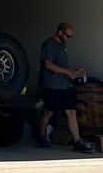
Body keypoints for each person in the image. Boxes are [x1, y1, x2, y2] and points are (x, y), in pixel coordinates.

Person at [36, 23, 95, 153]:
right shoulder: (49, 44)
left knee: (71, 112)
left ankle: (77, 142)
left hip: (66, 85)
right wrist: (68, 73)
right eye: (67, 35)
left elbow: (62, 65)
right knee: (48, 112)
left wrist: (75, 71)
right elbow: (49, 65)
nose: (68, 38)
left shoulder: (63, 45)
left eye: (70, 36)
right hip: (52, 85)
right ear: (60, 32)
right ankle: (41, 137)